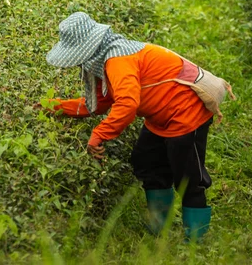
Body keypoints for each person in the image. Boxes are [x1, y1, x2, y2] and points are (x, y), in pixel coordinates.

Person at [40, 12, 232, 242]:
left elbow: (128, 104)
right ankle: (158, 225)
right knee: (147, 162)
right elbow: (99, 104)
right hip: (161, 115)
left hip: (186, 113)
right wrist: (51, 106)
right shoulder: (107, 59)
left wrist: (99, 134)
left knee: (188, 176)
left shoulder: (117, 60)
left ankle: (196, 240)